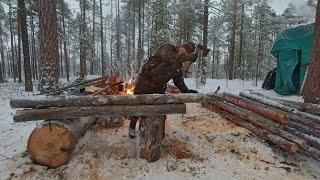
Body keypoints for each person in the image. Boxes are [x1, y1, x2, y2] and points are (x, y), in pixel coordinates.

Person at [128, 43, 205, 138]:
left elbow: (178, 80)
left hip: (159, 86)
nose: (183, 54)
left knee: (160, 111)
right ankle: (132, 127)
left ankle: (158, 134)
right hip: (146, 81)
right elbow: (168, 59)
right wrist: (186, 57)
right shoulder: (168, 48)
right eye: (183, 51)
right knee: (139, 105)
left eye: (185, 54)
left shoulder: (177, 64)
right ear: (180, 46)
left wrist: (186, 91)